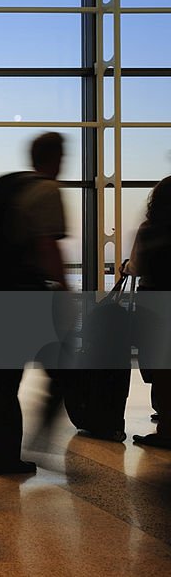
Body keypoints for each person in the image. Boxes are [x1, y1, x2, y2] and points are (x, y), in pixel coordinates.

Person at [0, 132, 67, 475]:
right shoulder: (47, 190)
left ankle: (2, 455)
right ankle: (36, 436)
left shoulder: (17, 189)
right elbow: (46, 245)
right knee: (62, 367)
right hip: (27, 295)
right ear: (57, 157)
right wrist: (63, 288)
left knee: (4, 380)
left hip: (1, 293)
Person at [130, 176, 171, 449]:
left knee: (162, 370)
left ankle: (166, 429)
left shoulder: (150, 229)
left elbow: (137, 267)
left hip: (154, 302)